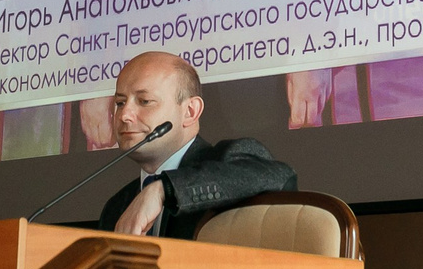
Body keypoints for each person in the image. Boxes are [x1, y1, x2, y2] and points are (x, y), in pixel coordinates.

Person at [95, 52, 296, 240]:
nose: (124, 115)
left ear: (190, 111)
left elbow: (279, 176)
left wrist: (164, 189)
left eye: (145, 101)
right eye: (120, 103)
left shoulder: (226, 159)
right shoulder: (117, 206)